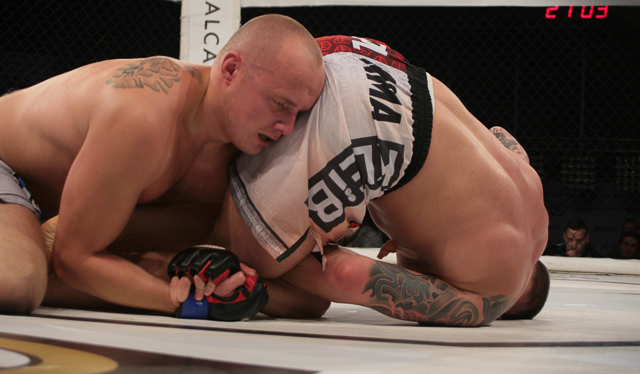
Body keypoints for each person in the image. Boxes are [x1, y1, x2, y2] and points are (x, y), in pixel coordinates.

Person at [199, 35, 550, 326]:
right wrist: (287, 263)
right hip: (377, 129)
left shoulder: (531, 189)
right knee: (246, 252)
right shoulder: (490, 298)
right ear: (513, 306)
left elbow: (501, 135)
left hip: (376, 64)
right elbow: (348, 277)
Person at [0, 14, 325, 315]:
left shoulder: (243, 154)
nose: (287, 127)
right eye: (279, 104)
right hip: (8, 167)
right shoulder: (144, 117)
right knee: (16, 284)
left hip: (47, 217)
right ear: (230, 70)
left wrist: (224, 287)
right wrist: (189, 303)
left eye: (299, 113)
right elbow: (73, 260)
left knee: (303, 292)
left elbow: (310, 300)